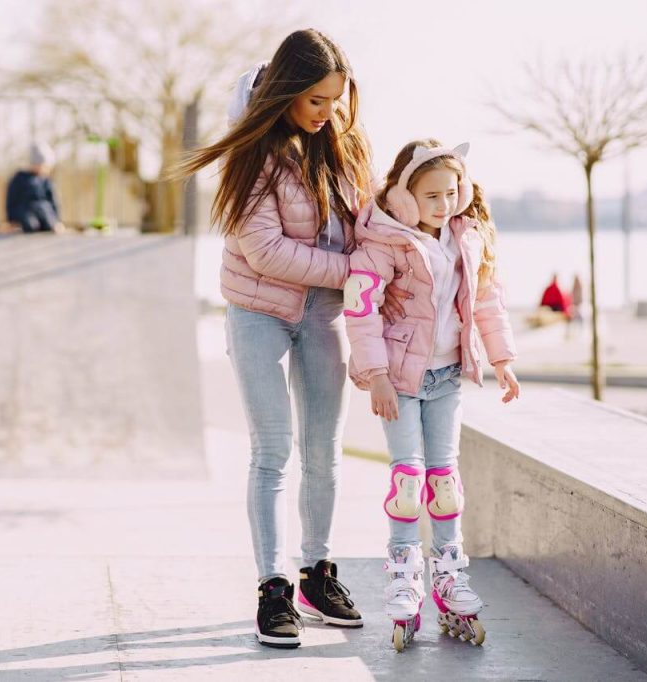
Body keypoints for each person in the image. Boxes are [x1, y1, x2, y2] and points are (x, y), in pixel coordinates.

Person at [173, 29, 377, 648]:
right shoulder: (253, 152)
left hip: (323, 314)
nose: (328, 113)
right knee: (273, 450)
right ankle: (272, 587)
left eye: (336, 100)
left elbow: (365, 223)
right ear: (287, 91)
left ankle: (317, 573)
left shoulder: (344, 147)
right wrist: (352, 271)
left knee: (325, 448)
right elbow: (263, 251)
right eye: (316, 100)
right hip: (257, 309)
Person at [343, 140, 519, 651]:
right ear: (404, 196)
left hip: (446, 379)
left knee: (444, 481)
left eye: (451, 193)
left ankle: (449, 574)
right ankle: (403, 576)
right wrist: (375, 374)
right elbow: (361, 311)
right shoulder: (383, 241)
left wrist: (502, 359)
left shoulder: (466, 239)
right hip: (399, 380)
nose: (443, 205)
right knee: (408, 478)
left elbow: (487, 299)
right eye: (431, 195)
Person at [5, 142, 65, 233]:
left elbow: (54, 201)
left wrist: (57, 221)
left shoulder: (46, 181)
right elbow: (11, 199)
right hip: (25, 210)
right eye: (42, 165)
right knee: (31, 225)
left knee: (49, 224)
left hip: (44, 210)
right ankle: (20, 226)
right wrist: (11, 220)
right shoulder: (20, 178)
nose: (44, 168)